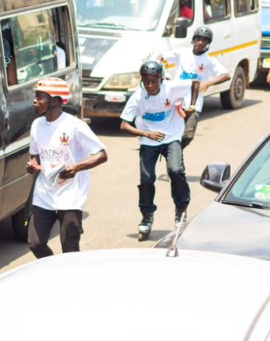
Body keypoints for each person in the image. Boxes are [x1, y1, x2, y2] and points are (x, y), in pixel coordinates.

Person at [26, 77, 107, 258]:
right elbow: (34, 155)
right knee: (35, 243)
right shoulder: (37, 125)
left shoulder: (75, 126)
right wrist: (32, 164)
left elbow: (102, 154)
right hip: (44, 193)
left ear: (54, 101)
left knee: (69, 249)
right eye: (36, 96)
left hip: (71, 195)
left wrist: (76, 167)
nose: (35, 101)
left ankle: (69, 278)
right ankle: (54, 269)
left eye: (40, 97)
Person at [120, 60, 190, 240]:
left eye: (153, 81)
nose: (150, 85)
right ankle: (147, 215)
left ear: (161, 78)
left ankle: (181, 209)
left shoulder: (171, 88)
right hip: (149, 140)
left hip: (172, 135)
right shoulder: (138, 97)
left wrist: (193, 104)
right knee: (147, 178)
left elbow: (195, 84)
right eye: (146, 81)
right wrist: (146, 134)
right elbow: (124, 125)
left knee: (176, 170)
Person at [158, 26, 230, 148]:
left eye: (204, 40)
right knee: (168, 130)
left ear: (208, 43)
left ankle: (177, 152)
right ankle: (171, 154)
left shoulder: (209, 60)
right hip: (177, 98)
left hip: (195, 101)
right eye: (198, 39)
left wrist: (207, 83)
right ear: (194, 40)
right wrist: (160, 69)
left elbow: (226, 75)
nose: (201, 42)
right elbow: (161, 57)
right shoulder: (182, 52)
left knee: (188, 135)